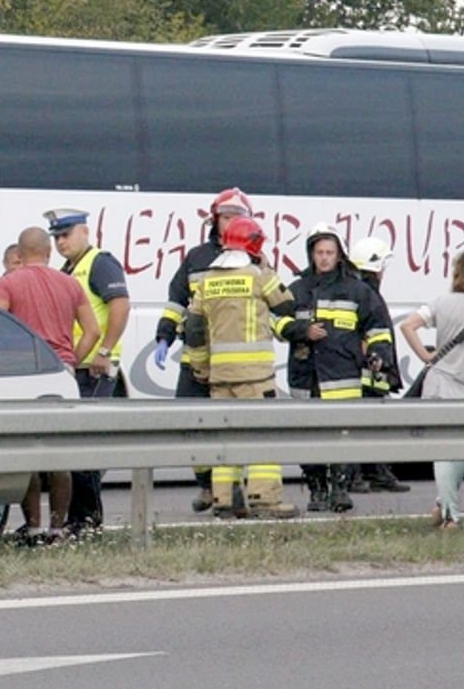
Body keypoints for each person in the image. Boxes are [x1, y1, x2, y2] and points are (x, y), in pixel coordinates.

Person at [184, 217, 298, 519]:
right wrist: (267, 266)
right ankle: (263, 497)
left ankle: (224, 498)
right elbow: (287, 304)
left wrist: (200, 366)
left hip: (219, 375)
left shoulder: (207, 280)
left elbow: (194, 328)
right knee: (262, 433)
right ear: (255, 245)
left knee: (225, 435)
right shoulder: (259, 275)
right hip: (255, 375)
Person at [276, 223, 394, 514]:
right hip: (305, 375)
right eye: (319, 252)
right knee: (308, 438)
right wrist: (301, 329)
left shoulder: (357, 290)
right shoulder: (296, 289)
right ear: (311, 254)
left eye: (330, 252)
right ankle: (317, 490)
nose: (325, 258)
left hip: (342, 375)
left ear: (339, 254)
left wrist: (379, 354)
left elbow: (378, 327)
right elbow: (272, 322)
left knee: (343, 435)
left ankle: (340, 490)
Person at [0, 227, 100, 540]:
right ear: (49, 252)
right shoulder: (70, 284)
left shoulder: (8, 283)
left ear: (19, 256)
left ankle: (34, 528)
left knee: (28, 454)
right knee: (60, 456)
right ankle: (57, 528)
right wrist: (71, 361)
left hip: (25, 373)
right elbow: (92, 331)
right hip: (61, 373)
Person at [154, 188, 253, 513]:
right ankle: (206, 486)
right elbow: (175, 299)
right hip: (194, 359)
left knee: (232, 427)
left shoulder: (254, 258)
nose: (230, 223)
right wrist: (165, 335)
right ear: (215, 220)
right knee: (190, 424)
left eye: (236, 217)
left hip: (233, 363)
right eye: (225, 217)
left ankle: (231, 491)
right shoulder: (196, 258)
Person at [45, 208, 131, 533]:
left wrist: (105, 351)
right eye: (56, 237)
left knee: (83, 446)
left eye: (66, 235)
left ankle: (88, 520)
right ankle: (78, 518)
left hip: (96, 368)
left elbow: (120, 305)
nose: (61, 243)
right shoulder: (69, 268)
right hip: (77, 366)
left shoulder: (99, 262)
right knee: (74, 447)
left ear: (84, 232)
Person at [399, 250, 464, 529]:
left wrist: (426, 357)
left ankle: (444, 506)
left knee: (443, 449)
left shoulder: (442, 303)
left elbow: (408, 325)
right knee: (463, 448)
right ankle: (449, 513)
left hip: (441, 383)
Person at [348, 237, 410, 494]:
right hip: (368, 371)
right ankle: (364, 474)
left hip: (370, 371)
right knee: (367, 423)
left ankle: (376, 472)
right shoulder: (367, 294)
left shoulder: (361, 290)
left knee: (373, 423)